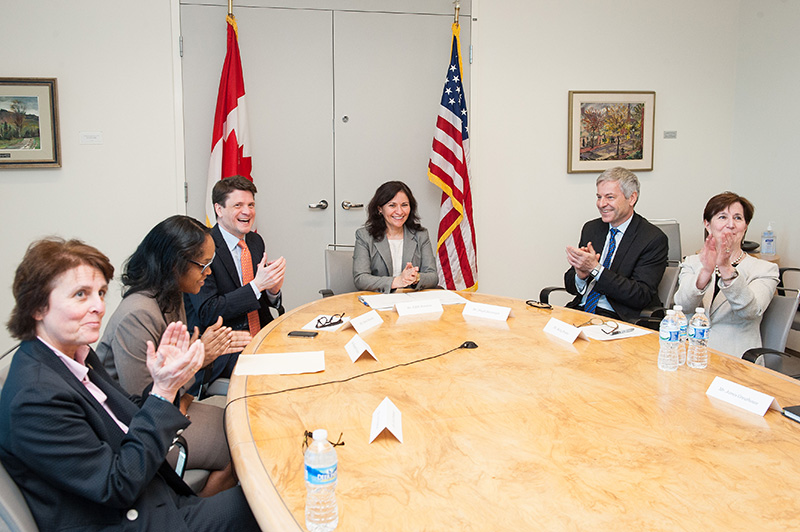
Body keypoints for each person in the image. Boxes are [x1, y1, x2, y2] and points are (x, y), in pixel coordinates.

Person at [0, 238, 259, 532]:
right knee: (275, 498)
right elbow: (117, 485)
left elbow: (130, 419)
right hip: (128, 520)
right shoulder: (35, 396)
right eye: (81, 295)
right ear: (36, 307)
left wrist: (165, 381)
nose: (99, 306)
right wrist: (163, 393)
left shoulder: (76, 355)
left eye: (100, 293)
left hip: (154, 497)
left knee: (276, 487)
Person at [96, 215, 250, 497]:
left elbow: (178, 382)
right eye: (204, 265)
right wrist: (198, 359)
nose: (209, 272)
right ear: (174, 264)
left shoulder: (171, 294)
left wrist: (197, 360)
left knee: (244, 428)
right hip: (140, 432)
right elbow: (143, 405)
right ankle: (189, 518)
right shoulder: (138, 314)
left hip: (173, 408)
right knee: (241, 447)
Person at [186, 175, 286, 383]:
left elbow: (258, 299)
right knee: (277, 378)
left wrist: (272, 291)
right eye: (238, 205)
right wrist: (257, 286)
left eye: (251, 205)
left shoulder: (255, 241)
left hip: (261, 334)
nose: (247, 212)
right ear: (219, 210)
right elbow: (208, 311)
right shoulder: (203, 248)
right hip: (226, 347)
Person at [673, 192, 779, 356]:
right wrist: (706, 272)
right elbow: (683, 305)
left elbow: (750, 312)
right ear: (707, 224)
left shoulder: (764, 269)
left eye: (738, 218)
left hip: (737, 359)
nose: (731, 224)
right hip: (689, 353)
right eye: (722, 217)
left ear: (745, 227)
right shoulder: (692, 263)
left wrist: (725, 267)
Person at [564, 166, 668, 323]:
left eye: (610, 197)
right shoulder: (592, 228)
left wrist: (596, 269)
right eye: (599, 197)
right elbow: (571, 286)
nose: (601, 204)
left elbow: (641, 295)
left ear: (631, 198)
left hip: (618, 317)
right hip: (581, 311)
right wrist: (580, 274)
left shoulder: (652, 238)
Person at [353, 180, 438, 293]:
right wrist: (397, 281)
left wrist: (415, 278)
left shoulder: (421, 235)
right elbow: (361, 279)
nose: (399, 211)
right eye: (392, 205)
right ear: (380, 209)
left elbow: (433, 276)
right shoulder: (364, 236)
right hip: (378, 300)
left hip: (411, 302)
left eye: (404, 205)